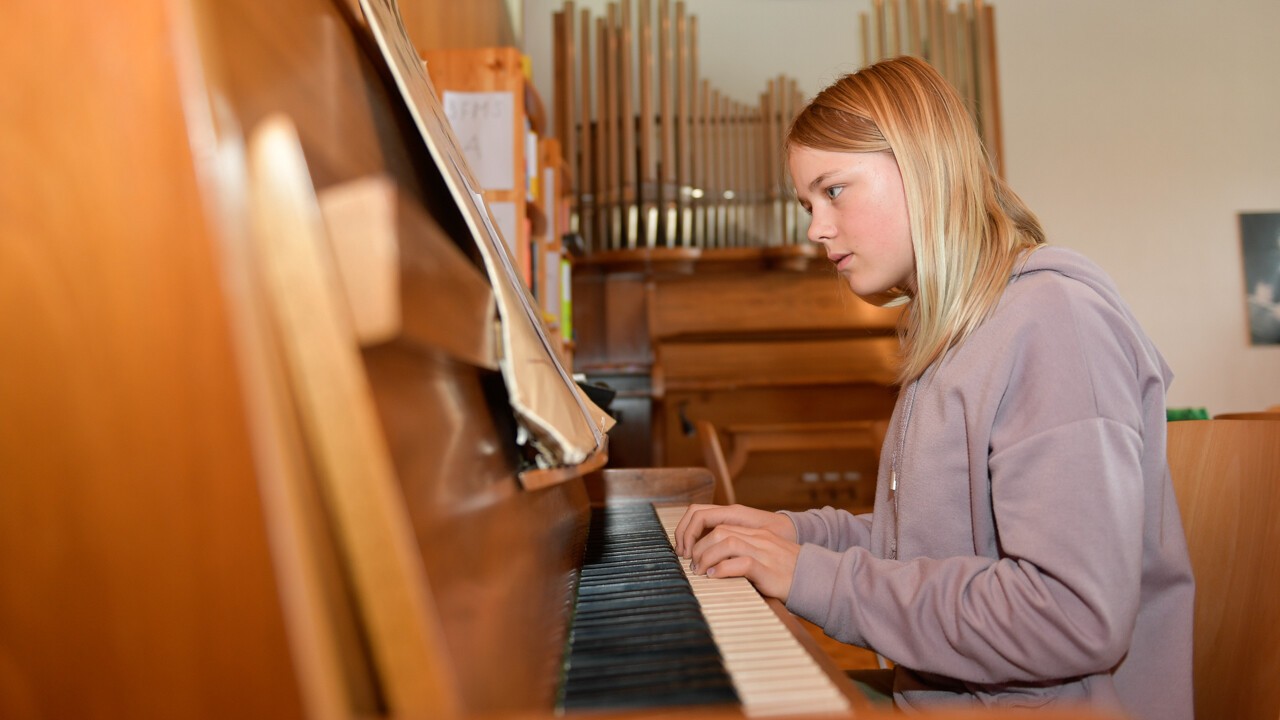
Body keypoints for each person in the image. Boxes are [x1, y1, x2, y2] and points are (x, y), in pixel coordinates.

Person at [674, 56, 1194, 720]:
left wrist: (811, 575)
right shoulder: (957, 334)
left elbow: (1071, 615)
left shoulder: (1055, 324)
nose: (815, 229)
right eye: (807, 203)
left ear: (923, 167)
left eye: (834, 191)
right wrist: (791, 535)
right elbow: (928, 549)